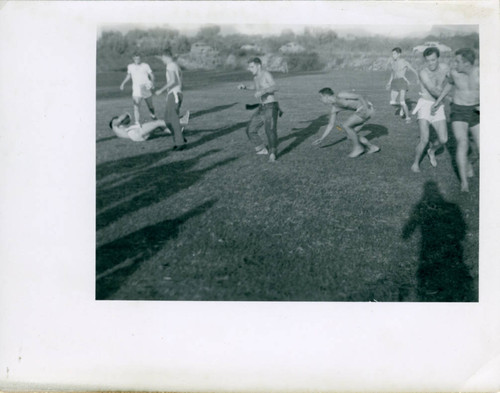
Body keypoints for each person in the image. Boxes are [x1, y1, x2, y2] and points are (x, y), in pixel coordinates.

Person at [432, 48, 479, 192]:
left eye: (457, 61)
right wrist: (439, 100)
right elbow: (449, 85)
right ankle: (464, 182)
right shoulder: (454, 73)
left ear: (466, 63)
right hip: (458, 111)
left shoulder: (482, 74)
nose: (454, 64)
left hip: (476, 111)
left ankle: (468, 163)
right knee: (462, 142)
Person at [410, 47, 449, 173]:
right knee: (424, 139)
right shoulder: (423, 72)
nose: (431, 63)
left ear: (438, 58)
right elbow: (432, 90)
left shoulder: (445, 68)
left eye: (433, 60)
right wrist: (450, 98)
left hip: (438, 105)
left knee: (443, 140)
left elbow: (453, 81)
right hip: (425, 105)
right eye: (428, 61)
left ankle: (431, 151)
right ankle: (415, 163)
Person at [312, 88, 380, 158]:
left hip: (366, 108)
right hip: (364, 111)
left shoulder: (341, 95)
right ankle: (372, 147)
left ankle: (358, 148)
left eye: (321, 97)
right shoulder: (335, 108)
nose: (320, 100)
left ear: (326, 96)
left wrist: (366, 108)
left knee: (346, 125)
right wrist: (322, 138)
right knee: (350, 136)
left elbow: (359, 96)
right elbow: (330, 125)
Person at [238, 57, 280, 162]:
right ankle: (262, 149)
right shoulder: (256, 78)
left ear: (259, 66)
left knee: (269, 130)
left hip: (271, 106)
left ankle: (272, 154)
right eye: (249, 67)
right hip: (262, 107)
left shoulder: (266, 74)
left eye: (252, 67)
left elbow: (276, 86)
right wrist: (245, 87)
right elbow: (256, 87)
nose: (250, 69)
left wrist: (263, 92)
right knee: (250, 129)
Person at [156, 49, 186, 150]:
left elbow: (173, 80)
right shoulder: (176, 65)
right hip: (175, 93)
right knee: (167, 120)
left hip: (174, 94)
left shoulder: (170, 65)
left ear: (165, 56)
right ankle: (180, 138)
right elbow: (180, 80)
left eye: (163, 58)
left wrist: (161, 90)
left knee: (172, 119)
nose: (162, 60)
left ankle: (180, 142)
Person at [120, 53, 157, 125]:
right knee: (136, 106)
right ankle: (137, 123)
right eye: (135, 58)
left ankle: (153, 115)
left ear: (141, 58)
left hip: (145, 87)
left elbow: (152, 75)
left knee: (150, 106)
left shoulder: (145, 65)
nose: (137, 60)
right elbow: (129, 76)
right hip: (136, 89)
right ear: (133, 59)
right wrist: (123, 83)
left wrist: (152, 83)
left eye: (138, 58)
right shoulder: (130, 66)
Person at [386, 47, 418, 124]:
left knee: (402, 101)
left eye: (394, 54)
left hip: (402, 82)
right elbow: (392, 73)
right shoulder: (392, 63)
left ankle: (408, 118)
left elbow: (414, 70)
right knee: (392, 102)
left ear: (399, 54)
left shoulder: (404, 62)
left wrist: (418, 79)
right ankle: (401, 108)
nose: (393, 55)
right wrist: (389, 82)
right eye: (392, 54)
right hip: (395, 82)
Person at [109, 112, 190, 142]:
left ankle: (177, 132)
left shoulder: (118, 130)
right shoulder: (114, 123)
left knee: (157, 125)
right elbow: (121, 118)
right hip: (135, 134)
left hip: (137, 137)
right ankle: (180, 122)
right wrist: (127, 114)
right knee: (158, 122)